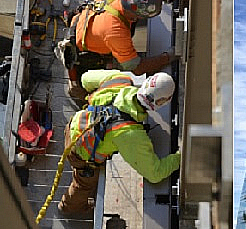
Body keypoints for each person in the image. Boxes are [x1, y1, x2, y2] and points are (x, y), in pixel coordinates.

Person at [58, 69, 181, 215]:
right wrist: (181, 157)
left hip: (74, 124)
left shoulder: (120, 80)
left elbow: (85, 78)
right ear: (161, 102)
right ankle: (69, 207)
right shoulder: (130, 133)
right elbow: (154, 174)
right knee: (84, 184)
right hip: (78, 152)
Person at [66, 0, 175, 102]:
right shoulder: (116, 31)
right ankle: (75, 87)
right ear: (138, 16)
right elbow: (137, 68)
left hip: (83, 20)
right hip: (82, 49)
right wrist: (168, 57)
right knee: (88, 89)